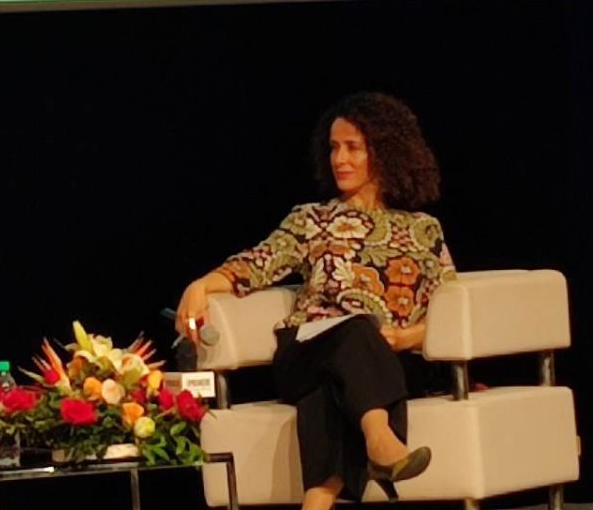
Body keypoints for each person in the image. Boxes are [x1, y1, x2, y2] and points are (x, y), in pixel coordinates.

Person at [173, 93, 454, 510]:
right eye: (334, 147)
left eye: (353, 147)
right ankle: (380, 437)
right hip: (307, 352)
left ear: (385, 152)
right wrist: (201, 285)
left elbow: (449, 310)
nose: (340, 158)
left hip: (386, 360)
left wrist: (407, 337)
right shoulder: (311, 219)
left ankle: (317, 503)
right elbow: (259, 262)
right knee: (354, 332)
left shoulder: (423, 230)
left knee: (334, 390)